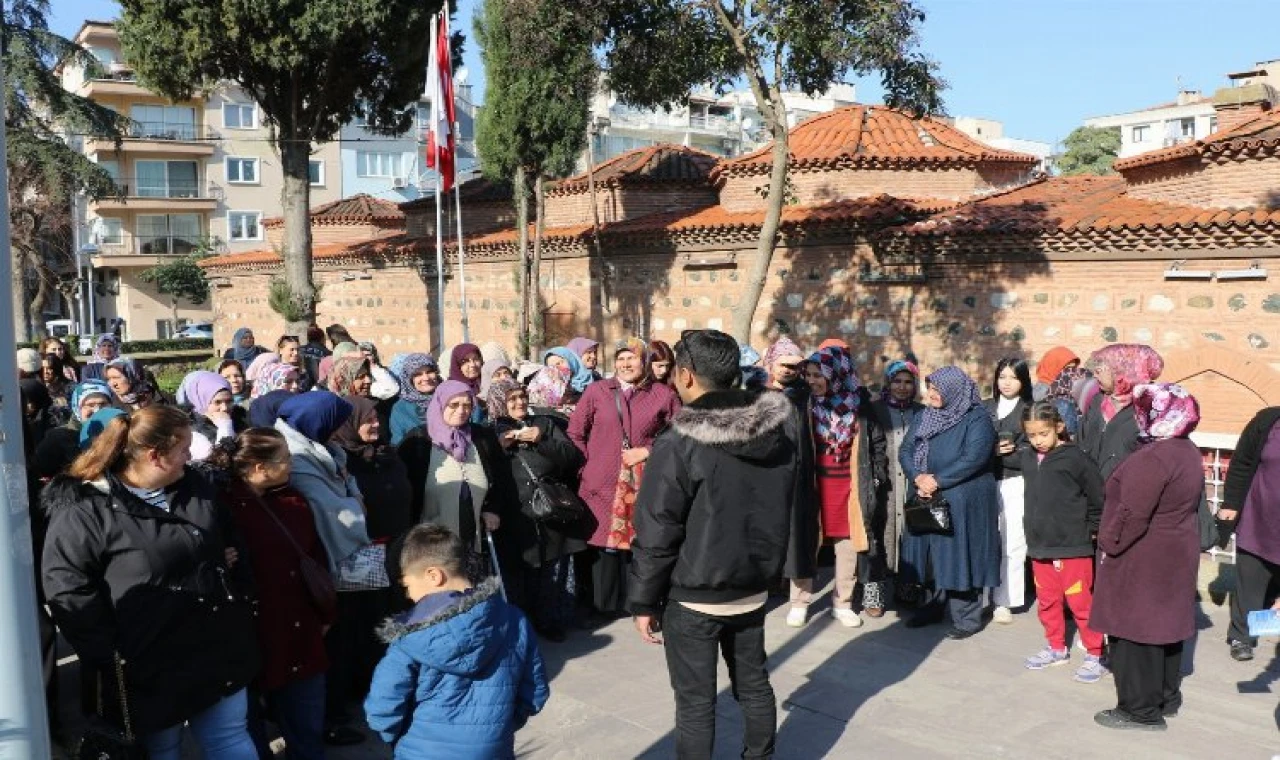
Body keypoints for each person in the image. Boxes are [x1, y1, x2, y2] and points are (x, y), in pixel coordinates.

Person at [41, 405, 260, 759]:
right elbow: (69, 590)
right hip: (148, 663)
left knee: (229, 739)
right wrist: (112, 654)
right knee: (162, 748)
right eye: (184, 449)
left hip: (217, 648)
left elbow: (230, 544)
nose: (191, 457)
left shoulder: (195, 486)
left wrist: (237, 587)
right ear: (156, 456)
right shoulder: (85, 511)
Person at [629, 329, 799, 760]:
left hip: (695, 593)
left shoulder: (678, 441)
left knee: (696, 704)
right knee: (754, 683)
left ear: (685, 374)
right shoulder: (776, 431)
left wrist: (644, 601)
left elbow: (657, 529)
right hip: (753, 586)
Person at [364, 525, 549, 759]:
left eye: (407, 586)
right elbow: (535, 691)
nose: (409, 596)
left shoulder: (408, 638)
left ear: (434, 575)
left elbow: (382, 708)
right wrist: (500, 728)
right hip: (494, 750)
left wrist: (397, 738)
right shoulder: (514, 620)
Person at [212, 429, 335, 760]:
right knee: (249, 734)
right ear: (257, 467)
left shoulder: (293, 499)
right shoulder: (222, 509)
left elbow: (316, 556)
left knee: (307, 730)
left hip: (302, 632)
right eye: (284, 458)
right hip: (253, 635)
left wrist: (324, 614)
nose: (292, 463)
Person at [1091, 383, 1204, 731]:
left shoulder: (1154, 457)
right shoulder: (1185, 449)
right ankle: (1166, 697)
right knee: (1165, 629)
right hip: (1174, 550)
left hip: (1144, 556)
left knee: (1135, 631)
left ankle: (1139, 710)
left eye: (1143, 408)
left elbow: (1132, 514)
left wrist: (1107, 542)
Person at [275, 391, 378, 747]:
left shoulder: (323, 450)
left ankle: (334, 709)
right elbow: (338, 513)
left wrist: (349, 489)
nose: (338, 432)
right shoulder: (300, 459)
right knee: (329, 643)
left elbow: (346, 484)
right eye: (334, 424)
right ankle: (326, 721)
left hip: (335, 563)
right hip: (321, 565)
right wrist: (354, 499)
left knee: (344, 638)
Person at [568, 337, 682, 617]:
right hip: (600, 483)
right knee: (599, 543)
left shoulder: (662, 395)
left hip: (644, 483)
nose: (625, 363)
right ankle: (599, 607)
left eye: (631, 357)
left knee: (640, 543)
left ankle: (640, 604)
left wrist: (647, 450)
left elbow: (681, 434)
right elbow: (575, 433)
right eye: (620, 358)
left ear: (644, 361)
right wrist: (587, 468)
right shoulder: (598, 391)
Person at [788, 346, 887, 628]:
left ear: (837, 375)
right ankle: (799, 601)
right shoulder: (801, 403)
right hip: (813, 484)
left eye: (818, 375)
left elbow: (877, 443)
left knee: (848, 543)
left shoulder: (859, 404)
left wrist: (877, 475)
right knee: (806, 539)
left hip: (849, 484)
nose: (812, 380)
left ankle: (842, 602)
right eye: (808, 374)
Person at [899, 366, 1000, 639]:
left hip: (962, 499)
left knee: (959, 555)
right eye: (929, 389)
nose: (930, 394)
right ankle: (932, 608)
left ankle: (967, 618)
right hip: (925, 495)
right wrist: (918, 476)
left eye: (936, 390)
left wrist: (938, 480)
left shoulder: (976, 418)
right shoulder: (925, 415)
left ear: (953, 391)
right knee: (931, 557)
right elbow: (907, 449)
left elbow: (974, 457)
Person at [1016, 401, 1107, 682]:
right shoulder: (1027, 458)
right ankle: (1056, 647)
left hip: (1073, 545)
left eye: (1043, 433)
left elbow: (1098, 497)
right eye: (1031, 435)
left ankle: (1096, 653)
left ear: (1059, 427)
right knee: (1047, 601)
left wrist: (1092, 529)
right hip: (1040, 545)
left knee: (1081, 602)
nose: (1038, 441)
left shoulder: (1076, 458)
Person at [489, 378, 586, 641]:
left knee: (551, 567)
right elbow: (487, 472)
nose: (519, 403)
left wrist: (541, 440)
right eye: (512, 399)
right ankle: (522, 624)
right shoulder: (490, 432)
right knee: (520, 570)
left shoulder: (545, 423)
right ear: (500, 403)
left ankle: (549, 620)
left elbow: (572, 458)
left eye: (522, 397)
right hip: (514, 513)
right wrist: (500, 446)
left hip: (550, 508)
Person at [419, 380, 517, 554]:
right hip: (431, 537)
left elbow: (502, 476)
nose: (461, 411)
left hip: (475, 531)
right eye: (454, 405)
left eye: (467, 405)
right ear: (441, 404)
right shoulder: (419, 440)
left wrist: (492, 509)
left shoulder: (482, 436)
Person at [1220, 405, 1280, 662]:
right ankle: (1242, 636)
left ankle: (1267, 626)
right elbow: (1242, 463)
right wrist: (1231, 504)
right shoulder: (1268, 421)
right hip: (1260, 518)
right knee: (1252, 581)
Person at [870, 359, 925, 607]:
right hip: (884, 482)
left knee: (909, 533)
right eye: (896, 381)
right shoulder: (875, 410)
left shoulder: (922, 412)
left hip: (913, 484)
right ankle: (875, 592)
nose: (902, 387)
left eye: (908, 382)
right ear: (888, 382)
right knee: (879, 533)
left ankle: (906, 587)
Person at [985, 356, 1034, 624]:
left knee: (1013, 541)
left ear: (1023, 381)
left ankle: (1004, 600)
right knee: (985, 538)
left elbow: (1033, 450)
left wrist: (1008, 455)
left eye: (1013, 377)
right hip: (983, 480)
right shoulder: (984, 408)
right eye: (1002, 376)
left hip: (1015, 481)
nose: (1006, 383)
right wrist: (991, 452)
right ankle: (981, 594)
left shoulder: (1030, 410)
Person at [1080, 344, 1164, 481]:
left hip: (1123, 497)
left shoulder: (1150, 410)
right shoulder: (1097, 402)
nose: (1095, 373)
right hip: (1088, 495)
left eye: (1102, 366)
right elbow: (1080, 443)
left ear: (1124, 371)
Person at [32, 381, 113, 482]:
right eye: (90, 405)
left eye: (103, 404)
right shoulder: (60, 438)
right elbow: (38, 471)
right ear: (77, 408)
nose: (97, 410)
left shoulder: (121, 432)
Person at [177, 370, 238, 460]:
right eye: (217, 402)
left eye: (229, 401)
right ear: (201, 401)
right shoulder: (192, 432)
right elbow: (219, 462)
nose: (224, 408)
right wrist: (225, 426)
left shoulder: (239, 419)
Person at [389, 353, 439, 445]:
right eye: (418, 374)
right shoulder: (401, 408)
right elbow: (398, 442)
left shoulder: (449, 398)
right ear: (409, 379)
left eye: (429, 372)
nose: (426, 378)